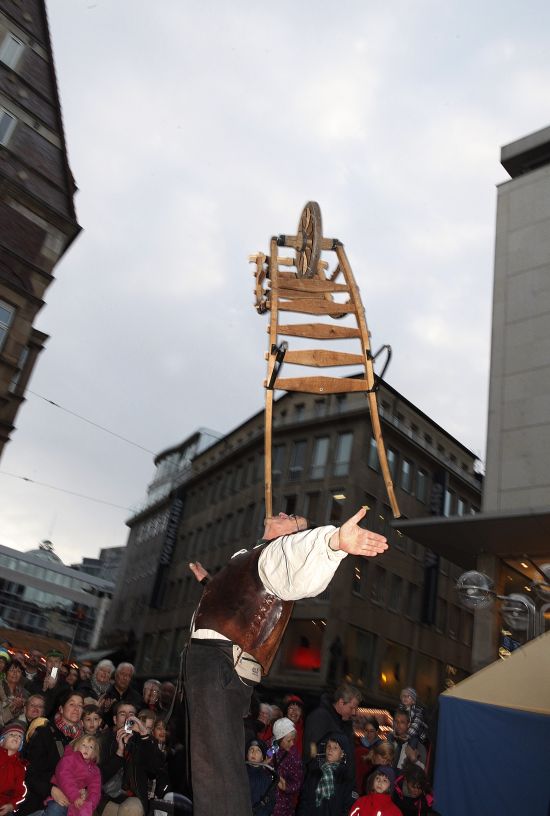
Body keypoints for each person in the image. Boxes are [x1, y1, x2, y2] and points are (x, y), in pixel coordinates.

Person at [186, 508, 387, 816]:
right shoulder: (251, 556)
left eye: (291, 517)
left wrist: (333, 542)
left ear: (291, 533)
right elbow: (240, 601)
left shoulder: (277, 553)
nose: (283, 512)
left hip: (220, 663)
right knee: (215, 763)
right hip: (212, 663)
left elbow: (297, 555)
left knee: (214, 769)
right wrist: (210, 584)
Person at [18, 690, 84, 816]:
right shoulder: (44, 732)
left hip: (72, 798)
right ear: (61, 709)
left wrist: (84, 789)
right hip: (42, 801)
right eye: (72, 704)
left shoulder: (84, 741)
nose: (76, 708)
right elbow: (29, 773)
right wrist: (51, 790)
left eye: (80, 705)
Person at [302, 683, 360, 797]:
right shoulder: (320, 717)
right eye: (352, 708)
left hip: (337, 786)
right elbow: (312, 753)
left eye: (356, 708)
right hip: (323, 787)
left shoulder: (343, 723)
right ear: (341, 702)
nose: (354, 712)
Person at [297, 732, 353, 816]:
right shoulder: (314, 772)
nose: (330, 750)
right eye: (328, 746)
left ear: (342, 753)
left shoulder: (345, 777)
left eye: (335, 748)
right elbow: (304, 801)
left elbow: (348, 807)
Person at [47, 734, 101, 816]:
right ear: (76, 747)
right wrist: (75, 796)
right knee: (55, 809)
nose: (86, 748)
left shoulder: (95, 770)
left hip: (77, 801)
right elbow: (65, 778)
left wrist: (90, 805)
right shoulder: (69, 759)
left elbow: (95, 790)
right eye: (84, 745)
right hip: (60, 794)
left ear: (94, 753)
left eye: (91, 747)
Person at [270, 718, 302, 816]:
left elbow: (298, 782)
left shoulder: (294, 755)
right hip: (267, 802)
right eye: (289, 741)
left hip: (283, 807)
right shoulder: (270, 748)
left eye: (293, 739)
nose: (292, 743)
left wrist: (286, 787)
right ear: (279, 739)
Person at [0, 722, 27, 816]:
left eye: (20, 736)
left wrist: (12, 805)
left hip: (3, 807)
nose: (16, 737)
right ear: (2, 741)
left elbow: (21, 791)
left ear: (21, 745)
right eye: (12, 734)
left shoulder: (20, 767)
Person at [246, 738, 276, 816]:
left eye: (258, 750)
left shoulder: (266, 779)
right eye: (251, 749)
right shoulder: (240, 773)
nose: (254, 753)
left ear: (262, 757)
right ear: (246, 754)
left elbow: (270, 803)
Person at [0, 661, 27, 725]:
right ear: (6, 673)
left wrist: (21, 706)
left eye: (18, 671)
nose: (15, 673)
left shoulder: (23, 692)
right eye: (12, 670)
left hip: (15, 727)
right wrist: (12, 708)